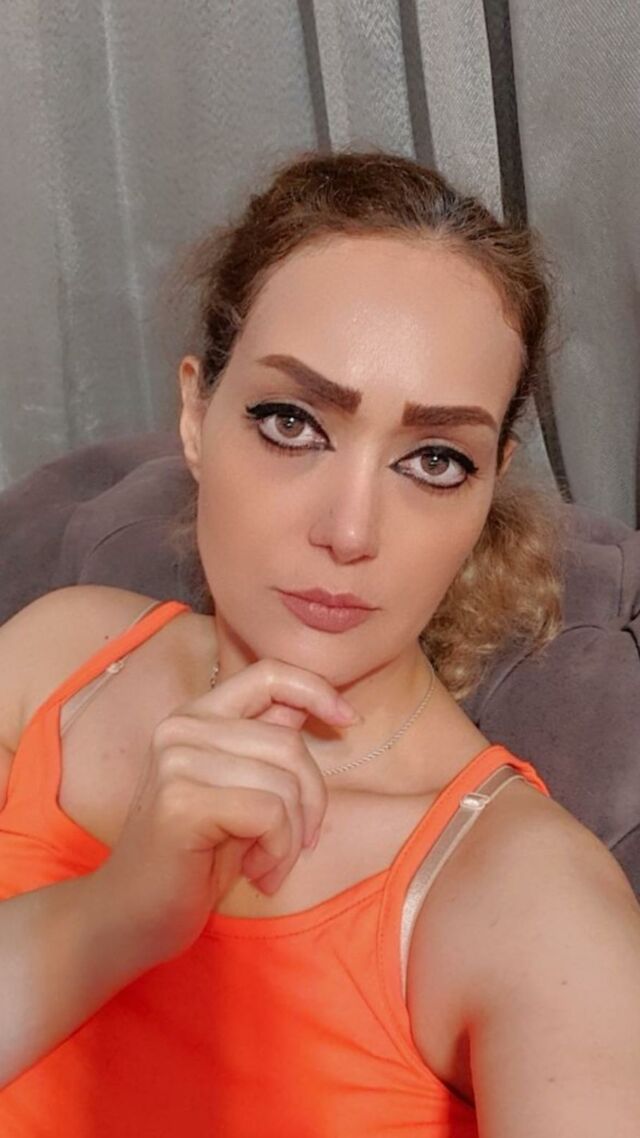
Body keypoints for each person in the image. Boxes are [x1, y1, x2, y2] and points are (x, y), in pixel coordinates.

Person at [0, 150, 638, 1137]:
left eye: (434, 459)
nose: (349, 531)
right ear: (195, 415)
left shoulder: (532, 904)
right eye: (291, 423)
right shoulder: (61, 660)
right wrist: (117, 913)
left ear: (489, 485)